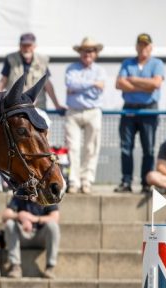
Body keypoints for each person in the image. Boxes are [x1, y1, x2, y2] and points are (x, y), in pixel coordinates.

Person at [114, 33, 166, 193]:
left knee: (148, 148)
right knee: (125, 147)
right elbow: (119, 83)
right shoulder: (127, 63)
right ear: (136, 46)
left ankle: (146, 182)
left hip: (149, 108)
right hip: (129, 108)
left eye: (146, 45)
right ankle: (126, 181)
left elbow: (156, 84)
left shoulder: (157, 63)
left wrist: (133, 80)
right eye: (140, 45)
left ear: (150, 47)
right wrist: (145, 86)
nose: (143, 48)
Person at [64, 37, 107, 195]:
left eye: (91, 50)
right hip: (73, 111)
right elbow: (70, 85)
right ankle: (73, 181)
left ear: (95, 53)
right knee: (73, 148)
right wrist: (92, 84)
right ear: (80, 52)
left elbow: (98, 91)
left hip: (93, 111)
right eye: (84, 50)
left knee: (91, 148)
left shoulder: (100, 71)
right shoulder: (71, 68)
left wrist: (79, 87)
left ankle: (86, 180)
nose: (87, 53)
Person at [0, 33, 65, 111]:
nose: (26, 48)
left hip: (38, 107)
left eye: (29, 45)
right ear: (20, 46)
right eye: (24, 45)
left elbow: (47, 84)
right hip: (15, 106)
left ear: (34, 46)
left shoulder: (42, 60)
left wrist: (57, 105)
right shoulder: (11, 59)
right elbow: (2, 81)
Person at [2, 196, 60, 279]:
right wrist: (20, 216)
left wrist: (34, 219)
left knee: (53, 226)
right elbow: (5, 215)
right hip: (23, 235)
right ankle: (15, 267)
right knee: (9, 224)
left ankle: (50, 267)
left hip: (41, 236)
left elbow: (55, 217)